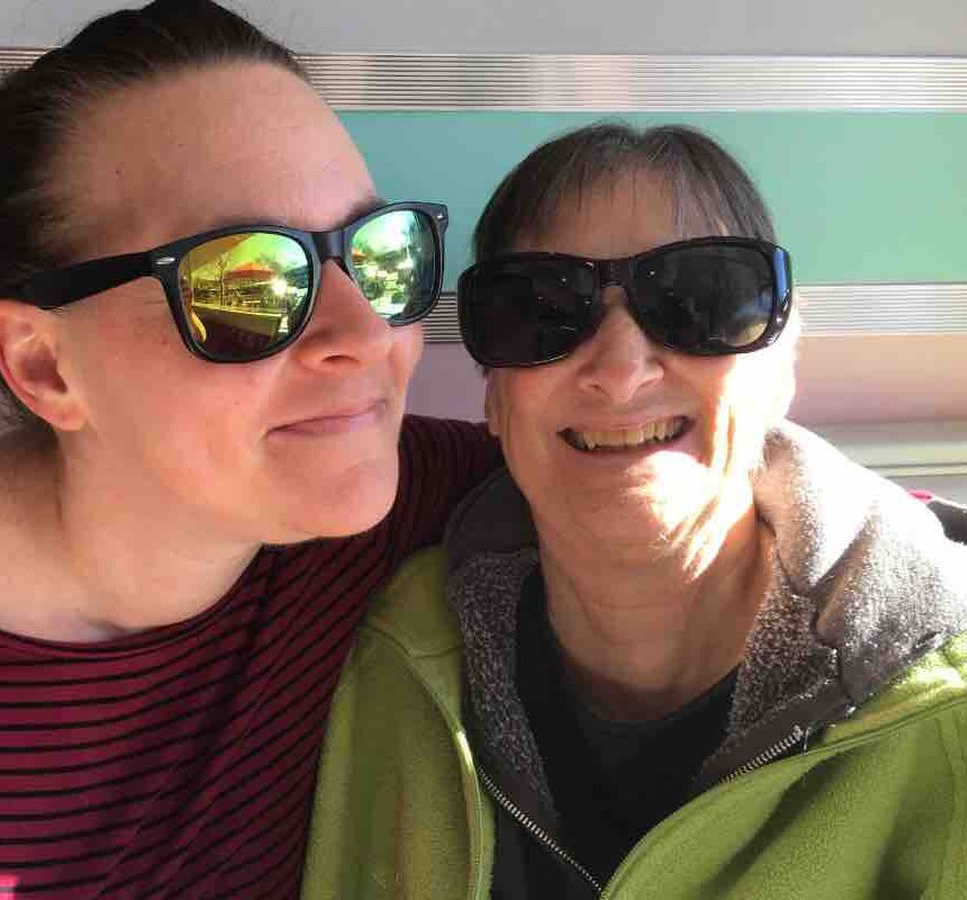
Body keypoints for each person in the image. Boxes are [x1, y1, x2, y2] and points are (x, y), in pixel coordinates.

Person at [0, 3, 499, 896]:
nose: (364, 334)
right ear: (44, 367)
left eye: (381, 253)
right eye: (246, 284)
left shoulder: (405, 504)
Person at [302, 123, 967, 899]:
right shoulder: (394, 659)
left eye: (701, 300)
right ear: (495, 397)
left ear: (781, 365)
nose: (620, 372)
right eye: (543, 308)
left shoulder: (946, 712)